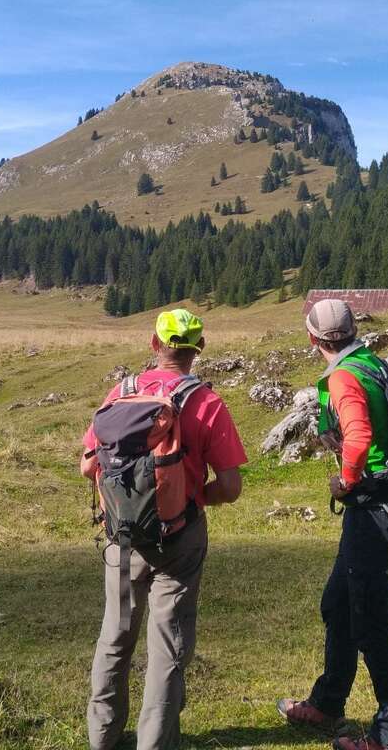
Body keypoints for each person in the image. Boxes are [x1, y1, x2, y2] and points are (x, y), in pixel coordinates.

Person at [81, 308, 247, 750]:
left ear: (154, 344)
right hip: (179, 537)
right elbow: (230, 486)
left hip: (121, 537)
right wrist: (192, 499)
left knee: (115, 635)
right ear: (198, 349)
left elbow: (87, 466)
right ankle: (155, 743)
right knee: (167, 644)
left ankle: (102, 738)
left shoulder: (121, 393)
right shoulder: (206, 402)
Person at [277, 298, 388, 750]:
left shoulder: (342, 374)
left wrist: (344, 480)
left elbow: (358, 436)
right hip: (387, 498)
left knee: (372, 623)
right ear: (352, 331)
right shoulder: (369, 361)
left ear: (313, 337)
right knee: (338, 603)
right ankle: (328, 702)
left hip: (373, 507)